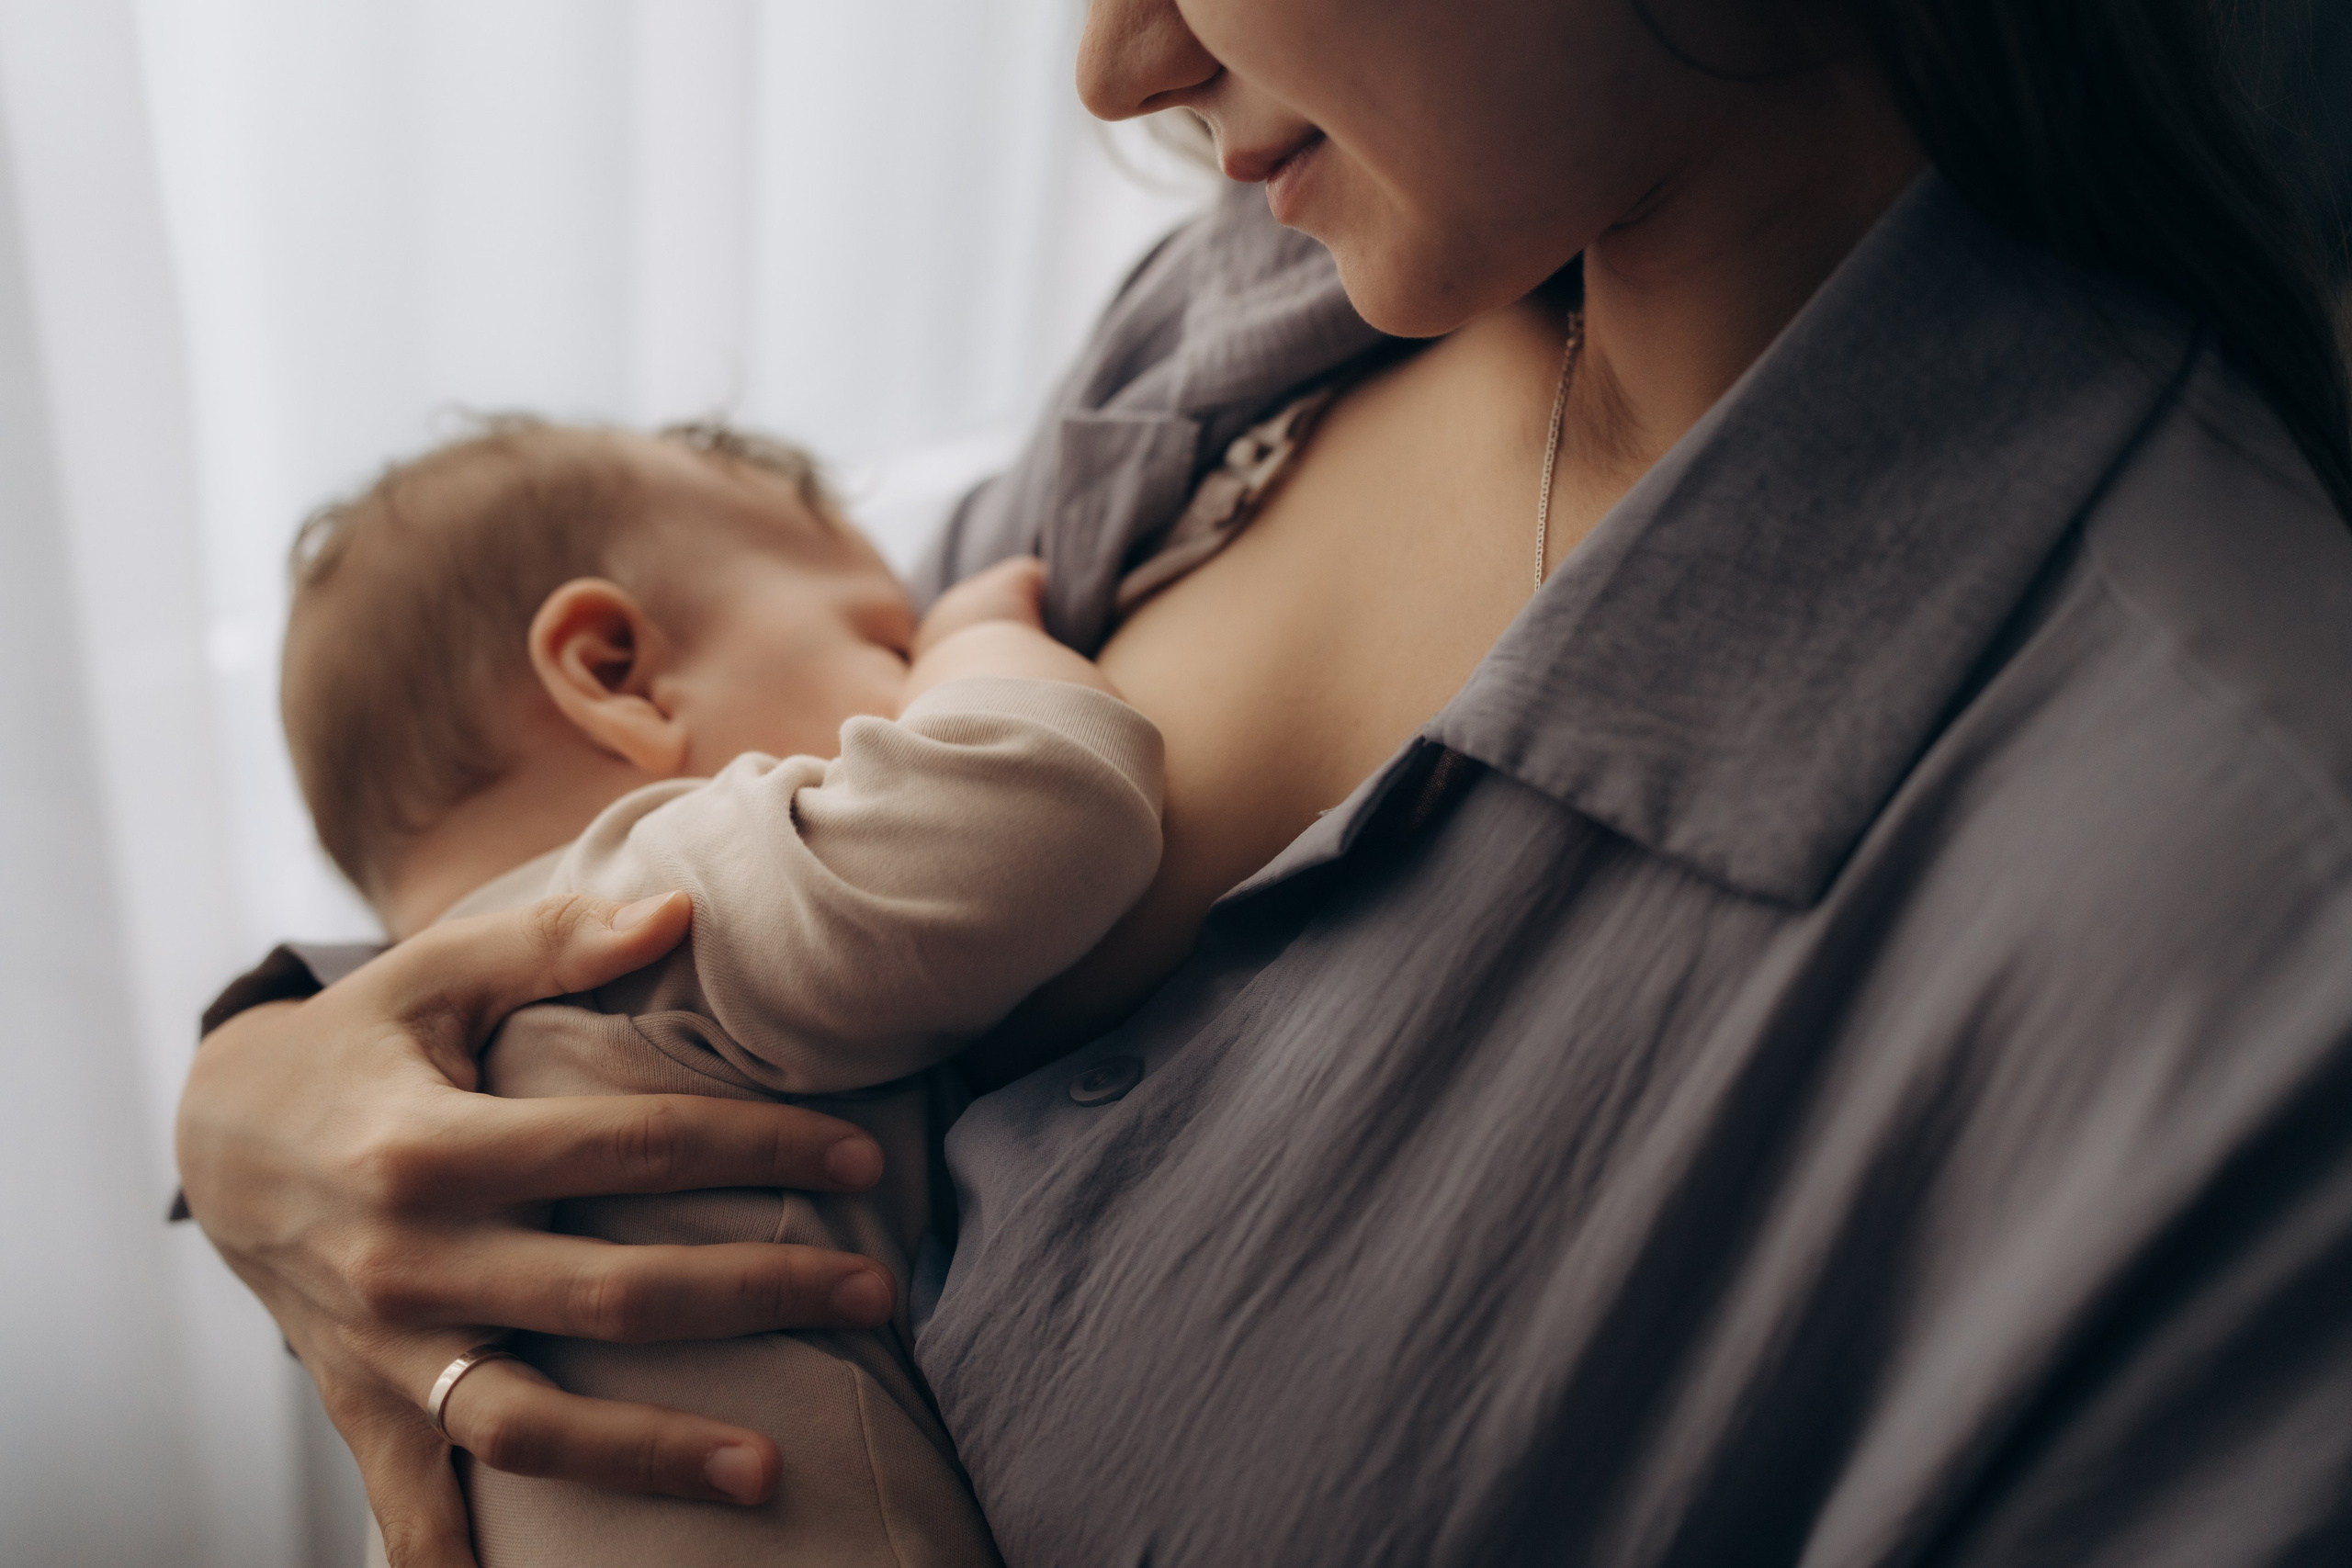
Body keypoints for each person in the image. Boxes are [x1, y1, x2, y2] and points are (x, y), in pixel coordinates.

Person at [176, 1, 2352, 1564]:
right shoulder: (1261, 311)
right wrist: (269, 1087)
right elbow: (718, 794)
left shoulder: (2218, 956)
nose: (1113, 61)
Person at [276, 416, 1170, 1565]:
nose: (908, 692)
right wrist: (978, 641)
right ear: (618, 675)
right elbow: (1038, 809)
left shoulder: (409, 1091)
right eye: (885, 647)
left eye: (912, 656)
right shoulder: (640, 899)